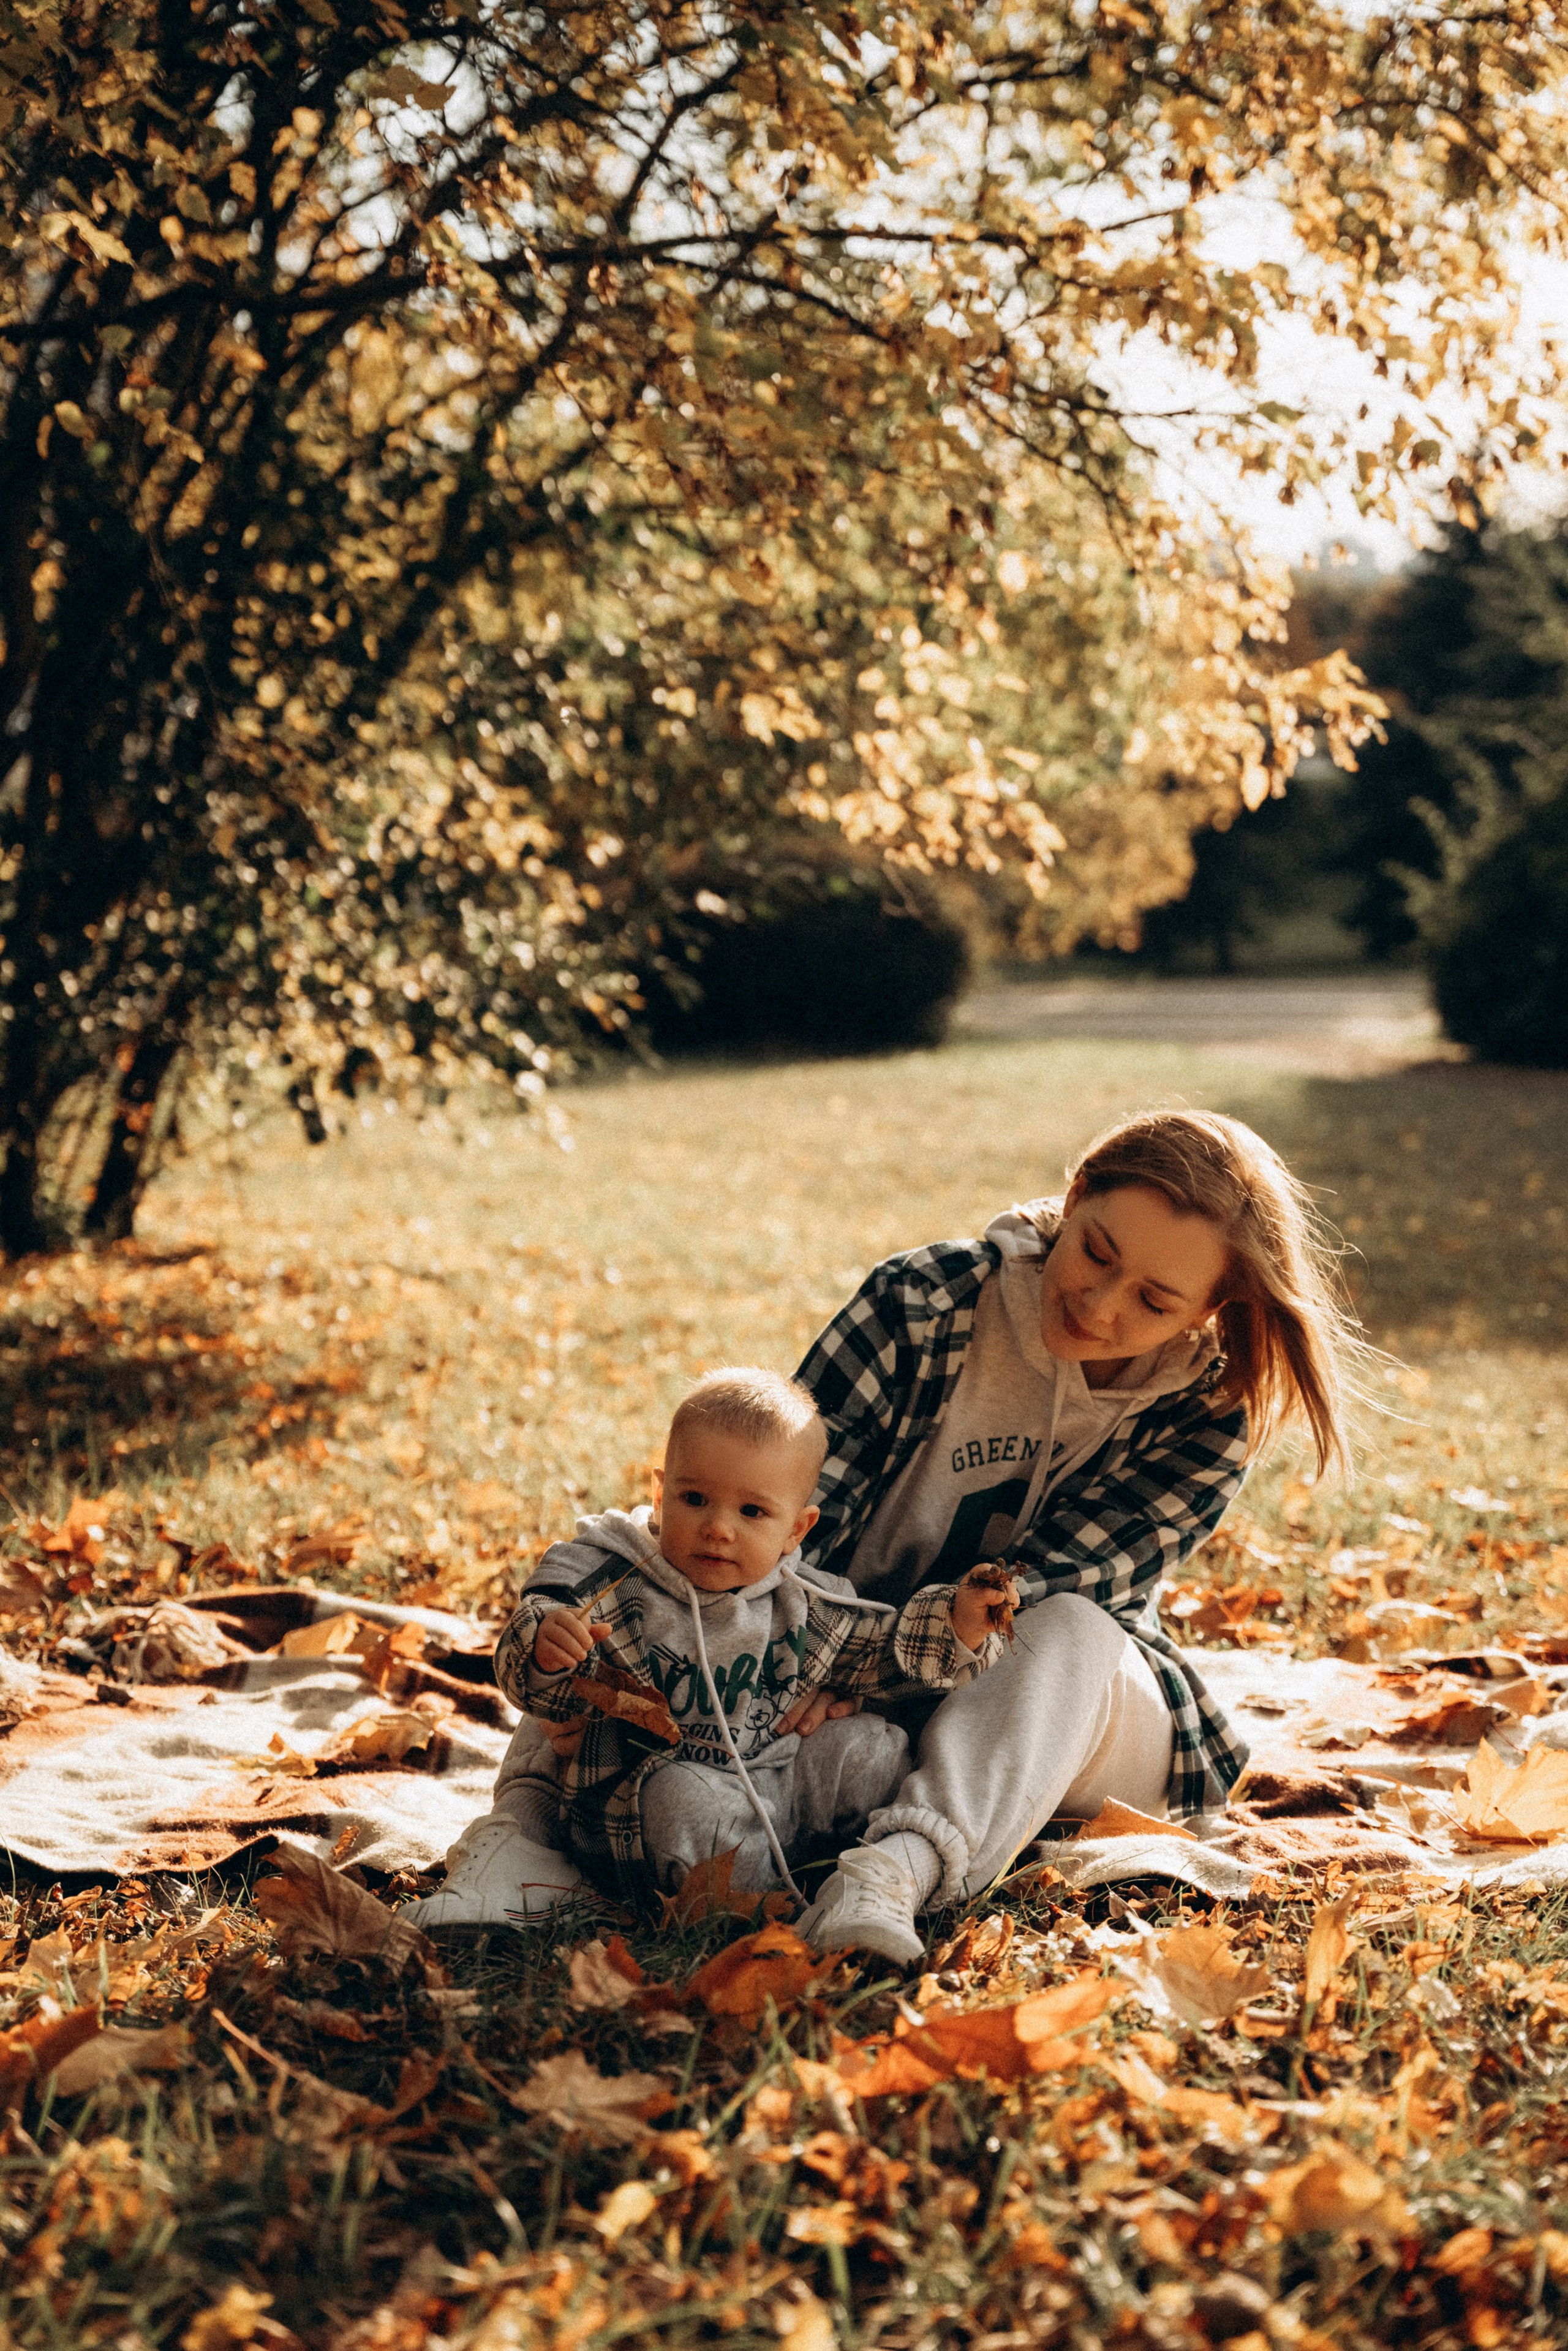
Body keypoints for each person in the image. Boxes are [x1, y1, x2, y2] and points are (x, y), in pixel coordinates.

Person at [410, 1109, 1363, 1954]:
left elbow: (1032, 1588)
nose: (1103, 1302)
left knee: (1069, 1623)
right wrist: (789, 1655)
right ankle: (520, 1843)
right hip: (824, 1660)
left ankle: (892, 1875)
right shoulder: (925, 1301)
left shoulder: (1217, 1404)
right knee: (652, 1567)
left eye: (1155, 1301)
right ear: (1072, 1200)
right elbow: (780, 1502)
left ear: (1212, 1311)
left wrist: (861, 1672)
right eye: (1097, 1252)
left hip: (1034, 1706)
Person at [484, 1367, 1014, 1903]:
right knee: (683, 1800)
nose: (719, 1527)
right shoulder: (613, 1576)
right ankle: (760, 1896)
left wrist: (958, 1622)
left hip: (777, 1783)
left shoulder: (809, 1604)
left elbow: (889, 1654)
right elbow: (536, 1668)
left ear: (796, 1530)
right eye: (694, 1500)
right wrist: (545, 1650)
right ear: (660, 1491)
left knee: (874, 1749)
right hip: (648, 1796)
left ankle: (860, 1871)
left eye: (752, 1511)